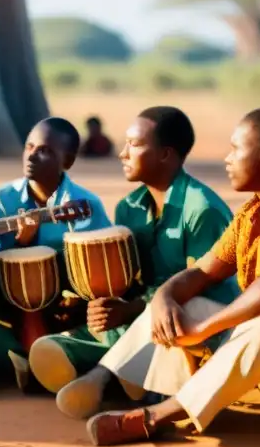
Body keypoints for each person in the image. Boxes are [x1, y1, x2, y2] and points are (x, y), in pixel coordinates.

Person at [72, 108, 260, 446]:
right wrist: (165, 297)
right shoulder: (251, 214)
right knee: (188, 303)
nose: (226, 159)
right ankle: (111, 377)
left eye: (235, 149)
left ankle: (158, 416)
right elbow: (200, 271)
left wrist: (204, 329)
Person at [32, 106, 240, 411]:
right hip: (145, 311)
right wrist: (102, 305)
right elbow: (132, 279)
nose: (123, 154)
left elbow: (199, 285)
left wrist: (133, 308)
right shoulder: (129, 207)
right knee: (105, 326)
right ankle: (120, 372)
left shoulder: (201, 210)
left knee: (164, 321)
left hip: (200, 318)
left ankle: (102, 376)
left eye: (135, 144)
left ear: (166, 155)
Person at [0, 117, 113, 388]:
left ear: (67, 161)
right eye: (29, 147)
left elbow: (102, 265)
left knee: (107, 323)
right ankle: (41, 362)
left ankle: (49, 361)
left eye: (44, 150)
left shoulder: (85, 204)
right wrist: (23, 244)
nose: (32, 156)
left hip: (73, 303)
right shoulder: (4, 198)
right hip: (15, 303)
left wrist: (81, 299)